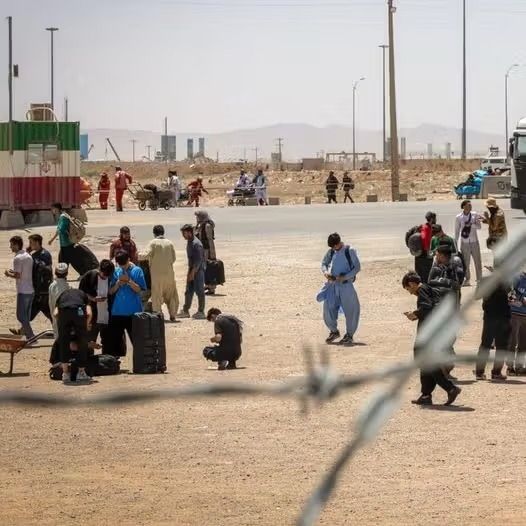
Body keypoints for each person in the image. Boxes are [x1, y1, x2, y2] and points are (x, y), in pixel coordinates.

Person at [402, 272, 462, 406]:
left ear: (412, 284)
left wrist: (414, 313)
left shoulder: (422, 290)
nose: (410, 292)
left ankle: (450, 388)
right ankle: (426, 395)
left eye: (408, 288)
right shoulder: (428, 289)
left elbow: (427, 307)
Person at [320, 233, 361, 345]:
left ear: (338, 243)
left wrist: (345, 277)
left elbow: (357, 267)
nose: (333, 249)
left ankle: (349, 335)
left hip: (346, 286)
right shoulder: (331, 251)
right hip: (332, 285)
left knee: (351, 310)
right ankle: (334, 331)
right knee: (328, 309)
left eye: (334, 246)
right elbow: (324, 263)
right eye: (332, 247)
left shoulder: (349, 251)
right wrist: (326, 272)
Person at [474, 266, 511, 381]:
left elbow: (477, 296)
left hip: (490, 317)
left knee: (485, 344)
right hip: (502, 317)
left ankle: (479, 372)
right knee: (501, 346)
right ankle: (496, 373)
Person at [108, 251, 146, 357]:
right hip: (117, 312)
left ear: (129, 259)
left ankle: (140, 361)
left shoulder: (137, 271)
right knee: (115, 343)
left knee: (137, 341)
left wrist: (129, 281)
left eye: (124, 264)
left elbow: (139, 290)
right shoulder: (116, 271)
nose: (122, 267)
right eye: (120, 265)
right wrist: (118, 284)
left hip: (133, 312)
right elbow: (110, 291)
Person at [54, 287, 93, 384]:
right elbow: (89, 313)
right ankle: (81, 373)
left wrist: (62, 325)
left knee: (64, 343)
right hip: (78, 312)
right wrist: (86, 325)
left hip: (63, 313)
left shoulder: (62, 296)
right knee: (82, 343)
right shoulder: (83, 295)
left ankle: (65, 374)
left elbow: (55, 313)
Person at [140, 225, 179, 321]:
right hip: (169, 275)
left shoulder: (153, 243)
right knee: (171, 295)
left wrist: (138, 254)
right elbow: (173, 258)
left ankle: (158, 316)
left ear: (154, 233)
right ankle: (173, 315)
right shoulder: (170, 243)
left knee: (156, 296)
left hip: (157, 276)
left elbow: (145, 255)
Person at [79, 259, 115, 351]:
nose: (105, 277)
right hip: (93, 317)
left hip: (107, 316)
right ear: (99, 269)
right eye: (104, 275)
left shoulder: (111, 277)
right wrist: (93, 299)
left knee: (108, 342)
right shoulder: (90, 276)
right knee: (90, 342)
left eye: (107, 276)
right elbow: (81, 293)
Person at [5, 236, 35, 342]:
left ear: (17, 245)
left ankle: (31, 337)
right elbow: (25, 272)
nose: (10, 247)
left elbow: (18, 275)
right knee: (26, 317)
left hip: (23, 291)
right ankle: (29, 336)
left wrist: (8, 274)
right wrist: (13, 272)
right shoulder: (28, 255)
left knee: (21, 316)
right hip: (31, 290)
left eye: (12, 245)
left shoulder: (17, 258)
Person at [179, 224, 206, 319]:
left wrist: (193, 273)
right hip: (191, 269)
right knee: (188, 291)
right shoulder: (190, 242)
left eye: (184, 233)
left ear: (189, 232)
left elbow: (198, 260)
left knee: (200, 291)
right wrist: (189, 272)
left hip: (198, 270)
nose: (183, 235)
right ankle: (185, 310)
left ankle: (201, 312)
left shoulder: (196, 244)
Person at [455, 199, 482, 287]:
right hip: (464, 242)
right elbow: (457, 231)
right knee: (466, 262)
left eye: (470, 205)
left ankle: (479, 279)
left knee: (477, 261)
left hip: (474, 241)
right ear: (463, 206)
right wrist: (455, 243)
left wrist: (471, 224)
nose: (470, 207)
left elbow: (479, 227)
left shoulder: (474, 215)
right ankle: (467, 279)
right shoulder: (459, 217)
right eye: (468, 205)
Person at [405, 212, 437, 283]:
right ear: (432, 219)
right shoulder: (427, 228)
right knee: (425, 275)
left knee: (419, 273)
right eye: (435, 218)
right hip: (425, 256)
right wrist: (429, 254)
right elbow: (426, 242)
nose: (436, 220)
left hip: (419, 255)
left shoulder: (422, 226)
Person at [507, 270, 526, 376]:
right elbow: (509, 294)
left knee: (523, 343)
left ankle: (519, 367)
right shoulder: (517, 278)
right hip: (515, 314)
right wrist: (521, 299)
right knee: (512, 342)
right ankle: (510, 367)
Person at [195, 210, 217, 295]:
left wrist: (212, 253)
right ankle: (207, 284)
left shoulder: (207, 226)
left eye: (198, 216)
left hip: (207, 250)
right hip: (202, 250)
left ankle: (211, 288)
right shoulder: (200, 225)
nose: (196, 218)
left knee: (209, 268)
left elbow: (210, 240)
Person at [48, 263, 71, 340]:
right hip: (62, 317)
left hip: (54, 316)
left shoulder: (52, 285)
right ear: (66, 273)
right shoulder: (65, 287)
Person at [49, 202, 75, 266]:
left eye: (52, 209)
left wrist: (52, 239)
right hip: (66, 243)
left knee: (62, 263)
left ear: (56, 209)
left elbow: (60, 230)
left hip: (66, 243)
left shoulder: (63, 217)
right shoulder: (63, 215)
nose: (52, 210)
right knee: (63, 262)